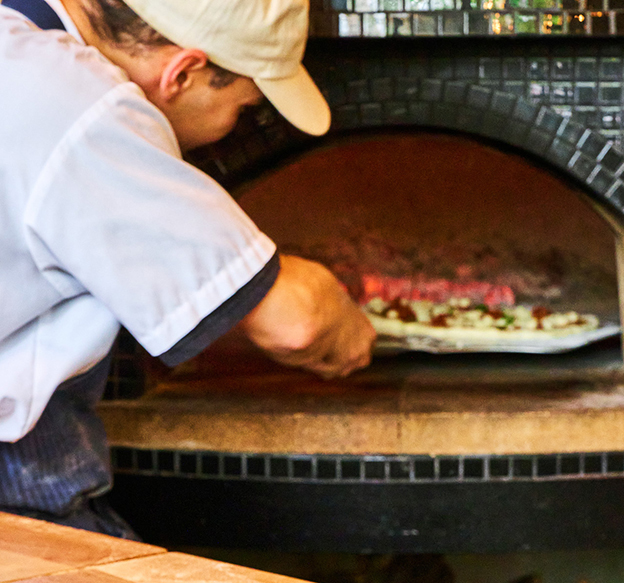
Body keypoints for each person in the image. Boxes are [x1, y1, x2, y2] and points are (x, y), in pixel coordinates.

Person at [0, 0, 376, 537]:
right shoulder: (83, 106)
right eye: (243, 109)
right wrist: (354, 330)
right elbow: (296, 322)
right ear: (182, 73)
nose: (235, 129)